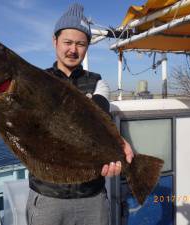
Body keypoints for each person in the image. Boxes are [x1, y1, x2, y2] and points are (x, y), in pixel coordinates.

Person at [26, 3, 134, 225]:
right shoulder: (38, 81)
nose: (73, 50)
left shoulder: (97, 82)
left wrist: (116, 142)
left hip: (91, 197)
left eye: (80, 44)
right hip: (47, 195)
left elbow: (98, 112)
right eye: (67, 42)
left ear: (87, 48)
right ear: (55, 41)